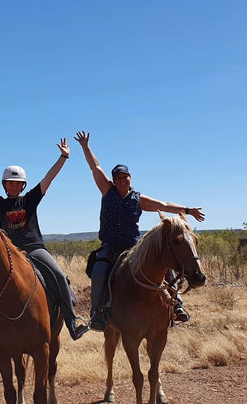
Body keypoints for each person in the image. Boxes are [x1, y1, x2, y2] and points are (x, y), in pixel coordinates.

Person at [74, 131, 205, 331]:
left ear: (130, 178)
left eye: (125, 177)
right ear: (114, 180)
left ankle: (177, 303)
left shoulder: (138, 199)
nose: (122, 180)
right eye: (118, 177)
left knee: (166, 264)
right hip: (111, 246)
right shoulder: (107, 191)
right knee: (100, 270)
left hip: (134, 246)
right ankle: (97, 312)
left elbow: (164, 204)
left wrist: (187, 210)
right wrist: (85, 147)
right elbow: (95, 167)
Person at [0, 139, 89, 341]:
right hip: (9, 253)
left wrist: (63, 157)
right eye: (10, 183)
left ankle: (72, 321)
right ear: (5, 185)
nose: (13, 186)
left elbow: (49, 178)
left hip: (34, 249)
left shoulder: (30, 199)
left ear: (23, 185)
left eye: (17, 183)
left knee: (57, 275)